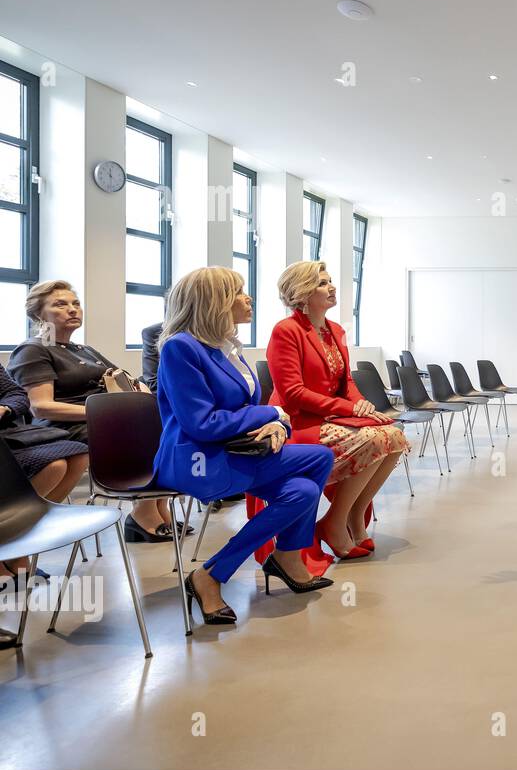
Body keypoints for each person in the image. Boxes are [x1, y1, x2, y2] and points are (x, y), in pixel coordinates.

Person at [152, 267, 334, 626]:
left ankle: (216, 573)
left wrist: (274, 423)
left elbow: (247, 408)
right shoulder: (181, 348)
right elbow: (201, 423)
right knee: (318, 458)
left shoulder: (225, 347)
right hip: (198, 460)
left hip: (235, 451)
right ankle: (285, 557)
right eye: (238, 292)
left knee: (301, 490)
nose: (247, 298)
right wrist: (271, 413)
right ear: (212, 302)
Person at [8, 280, 187, 543]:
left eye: (75, 303)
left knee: (167, 428)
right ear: (38, 314)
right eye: (60, 304)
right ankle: (142, 512)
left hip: (104, 423)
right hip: (64, 428)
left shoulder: (84, 350)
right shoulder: (33, 350)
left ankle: (158, 507)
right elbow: (40, 406)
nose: (72, 309)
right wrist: (101, 415)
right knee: (149, 435)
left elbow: (124, 378)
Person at [266, 261, 408, 567]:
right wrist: (350, 408)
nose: (331, 287)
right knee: (374, 439)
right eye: (322, 283)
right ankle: (334, 523)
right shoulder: (286, 331)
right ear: (301, 293)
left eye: (330, 281)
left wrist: (363, 405)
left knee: (395, 436)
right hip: (300, 423)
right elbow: (293, 393)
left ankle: (354, 515)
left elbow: (348, 383)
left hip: (331, 418)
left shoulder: (336, 331)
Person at [0, 363, 89, 604]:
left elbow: (17, 395)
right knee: (54, 466)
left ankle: (16, 545)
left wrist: (5, 408)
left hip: (8, 437)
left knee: (79, 456)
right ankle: (10, 551)